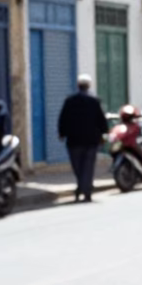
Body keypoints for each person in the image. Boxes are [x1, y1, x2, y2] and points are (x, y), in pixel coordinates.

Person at [58, 73, 108, 203]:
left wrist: (62, 133)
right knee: (88, 166)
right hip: (91, 140)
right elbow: (101, 120)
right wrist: (104, 134)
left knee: (78, 166)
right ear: (89, 85)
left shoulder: (69, 100)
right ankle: (85, 190)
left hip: (74, 140)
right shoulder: (95, 100)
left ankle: (82, 188)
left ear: (78, 85)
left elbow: (63, 119)